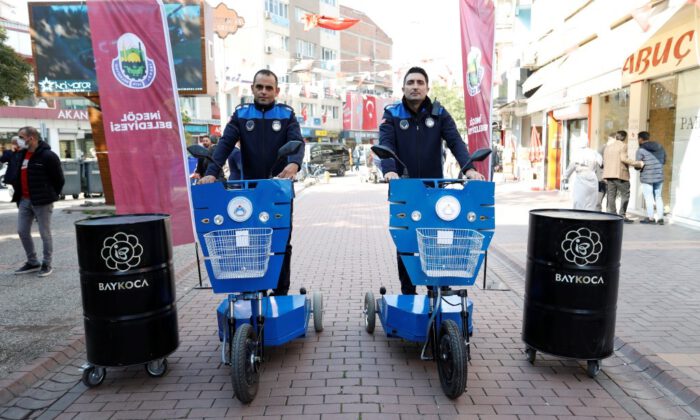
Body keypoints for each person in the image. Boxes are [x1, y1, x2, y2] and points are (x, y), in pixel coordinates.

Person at [379, 66, 485, 295]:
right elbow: (385, 144)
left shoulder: (439, 113)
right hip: (404, 189)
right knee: (406, 242)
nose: (415, 86)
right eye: (410, 82)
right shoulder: (392, 113)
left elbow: (456, 142)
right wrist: (389, 171)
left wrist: (470, 170)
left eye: (419, 82)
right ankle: (408, 293)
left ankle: (438, 291)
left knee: (438, 241)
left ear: (427, 87)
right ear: (403, 87)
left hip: (436, 192)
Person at [200, 69, 303, 296]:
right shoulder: (241, 114)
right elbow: (225, 144)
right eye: (260, 87)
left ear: (277, 90)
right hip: (248, 191)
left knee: (281, 241)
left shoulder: (286, 114)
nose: (264, 92)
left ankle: (280, 292)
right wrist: (211, 172)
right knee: (249, 241)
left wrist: (294, 164)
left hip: (279, 189)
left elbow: (296, 141)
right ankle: (255, 290)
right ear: (252, 89)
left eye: (269, 88)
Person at [10, 127, 64, 277]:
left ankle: (47, 263)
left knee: (44, 233)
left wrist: (50, 195)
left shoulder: (48, 156)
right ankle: (32, 262)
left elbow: (59, 179)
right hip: (24, 200)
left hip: (42, 201)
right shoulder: (22, 155)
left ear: (31, 138)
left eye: (21, 137)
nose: (19, 139)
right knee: (22, 230)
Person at [602, 131, 636, 222]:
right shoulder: (623, 145)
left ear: (616, 137)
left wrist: (605, 175)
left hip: (609, 175)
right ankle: (622, 215)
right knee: (625, 194)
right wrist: (637, 163)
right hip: (620, 175)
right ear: (625, 137)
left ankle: (612, 215)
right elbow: (624, 159)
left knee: (611, 195)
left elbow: (605, 161)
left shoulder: (607, 147)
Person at [635, 131, 667, 225]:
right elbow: (664, 160)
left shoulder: (640, 149)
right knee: (658, 196)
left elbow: (638, 165)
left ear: (640, 139)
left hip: (647, 177)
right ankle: (660, 218)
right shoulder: (660, 147)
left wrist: (638, 166)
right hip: (659, 175)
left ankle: (651, 218)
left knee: (648, 197)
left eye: (638, 139)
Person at [563, 138, 602, 211]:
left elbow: (572, 166)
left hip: (581, 177)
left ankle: (579, 218)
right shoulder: (594, 152)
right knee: (591, 201)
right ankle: (589, 218)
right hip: (592, 177)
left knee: (579, 201)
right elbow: (601, 163)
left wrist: (565, 176)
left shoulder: (576, 153)